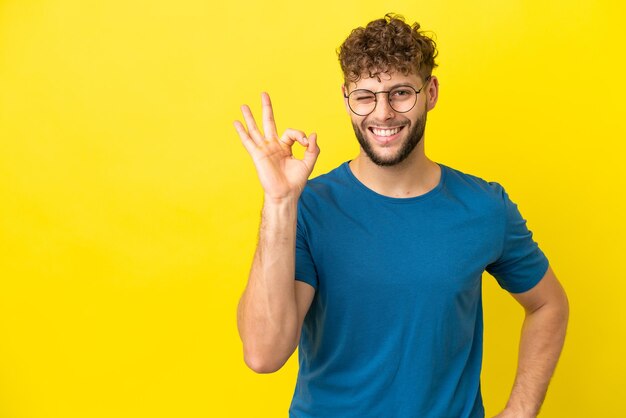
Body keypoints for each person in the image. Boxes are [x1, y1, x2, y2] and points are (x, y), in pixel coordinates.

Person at [234, 13, 569, 418]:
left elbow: (548, 305)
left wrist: (520, 411)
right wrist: (278, 202)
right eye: (366, 96)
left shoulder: (484, 207)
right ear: (346, 99)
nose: (383, 113)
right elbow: (263, 353)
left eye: (400, 93)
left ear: (431, 92)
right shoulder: (308, 207)